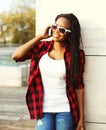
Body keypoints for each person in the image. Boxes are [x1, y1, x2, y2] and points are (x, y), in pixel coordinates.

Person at [12, 13, 85, 130]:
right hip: (43, 109)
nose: (56, 31)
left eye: (62, 30)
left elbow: (79, 86)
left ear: (70, 34)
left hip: (66, 109)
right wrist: (40, 36)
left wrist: (81, 118)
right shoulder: (41, 48)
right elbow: (16, 55)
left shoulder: (76, 55)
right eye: (55, 26)